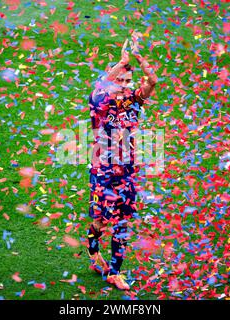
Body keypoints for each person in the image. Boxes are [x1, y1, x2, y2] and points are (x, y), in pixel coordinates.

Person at [86, 33, 158, 290]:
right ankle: (93, 248)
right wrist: (121, 62)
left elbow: (152, 81)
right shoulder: (100, 103)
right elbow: (99, 87)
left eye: (129, 81)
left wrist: (140, 60)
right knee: (100, 221)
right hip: (103, 171)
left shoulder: (132, 102)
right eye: (121, 81)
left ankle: (115, 272)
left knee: (123, 221)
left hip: (127, 171)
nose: (126, 85)